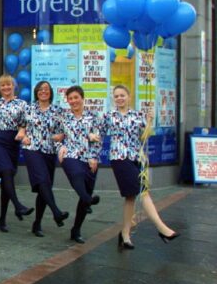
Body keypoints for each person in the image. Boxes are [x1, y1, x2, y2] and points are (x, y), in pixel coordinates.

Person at [100, 85, 179, 248]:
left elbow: (146, 134)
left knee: (131, 197)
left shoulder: (137, 116)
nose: (119, 98)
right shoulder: (109, 116)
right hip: (119, 158)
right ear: (113, 99)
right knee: (142, 192)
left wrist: (150, 120)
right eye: (116, 96)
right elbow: (99, 133)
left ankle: (125, 235)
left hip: (137, 157)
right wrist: (92, 137)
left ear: (129, 97)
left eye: (122, 95)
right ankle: (162, 228)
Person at [21, 81, 69, 237]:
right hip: (32, 149)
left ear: (50, 93)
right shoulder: (28, 108)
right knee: (42, 180)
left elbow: (63, 131)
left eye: (46, 90)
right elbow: (20, 126)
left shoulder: (58, 111)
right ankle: (56, 211)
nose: (43, 92)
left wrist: (60, 137)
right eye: (41, 89)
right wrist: (24, 136)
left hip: (49, 150)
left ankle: (37, 223)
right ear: (36, 92)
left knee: (45, 186)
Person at [56, 85, 102, 244]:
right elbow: (54, 136)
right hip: (70, 155)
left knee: (85, 192)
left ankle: (76, 230)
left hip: (88, 158)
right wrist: (59, 147)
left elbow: (97, 139)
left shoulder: (94, 117)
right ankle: (88, 199)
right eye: (70, 99)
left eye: (76, 98)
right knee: (76, 174)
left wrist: (93, 157)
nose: (73, 101)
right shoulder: (63, 117)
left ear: (82, 98)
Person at [0, 74, 33, 233]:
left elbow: (26, 123)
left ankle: (2, 219)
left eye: (8, 85)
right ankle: (18, 206)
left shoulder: (22, 104)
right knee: (6, 171)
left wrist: (22, 131)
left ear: (14, 86)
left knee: (8, 179)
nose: (6, 88)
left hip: (12, 142)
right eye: (3, 86)